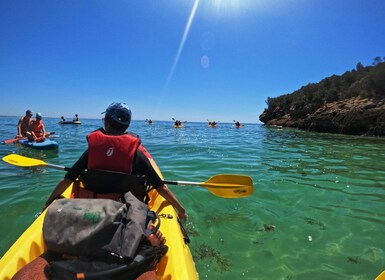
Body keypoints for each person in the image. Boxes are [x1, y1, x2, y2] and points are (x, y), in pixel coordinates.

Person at [13, 102, 184, 280]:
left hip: (90, 213)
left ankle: (61, 256)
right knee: (149, 252)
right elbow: (161, 188)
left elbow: (67, 180)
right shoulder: (136, 154)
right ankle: (143, 250)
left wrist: (49, 202)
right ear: (126, 125)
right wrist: (181, 209)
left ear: (107, 123)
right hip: (123, 217)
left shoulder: (92, 151)